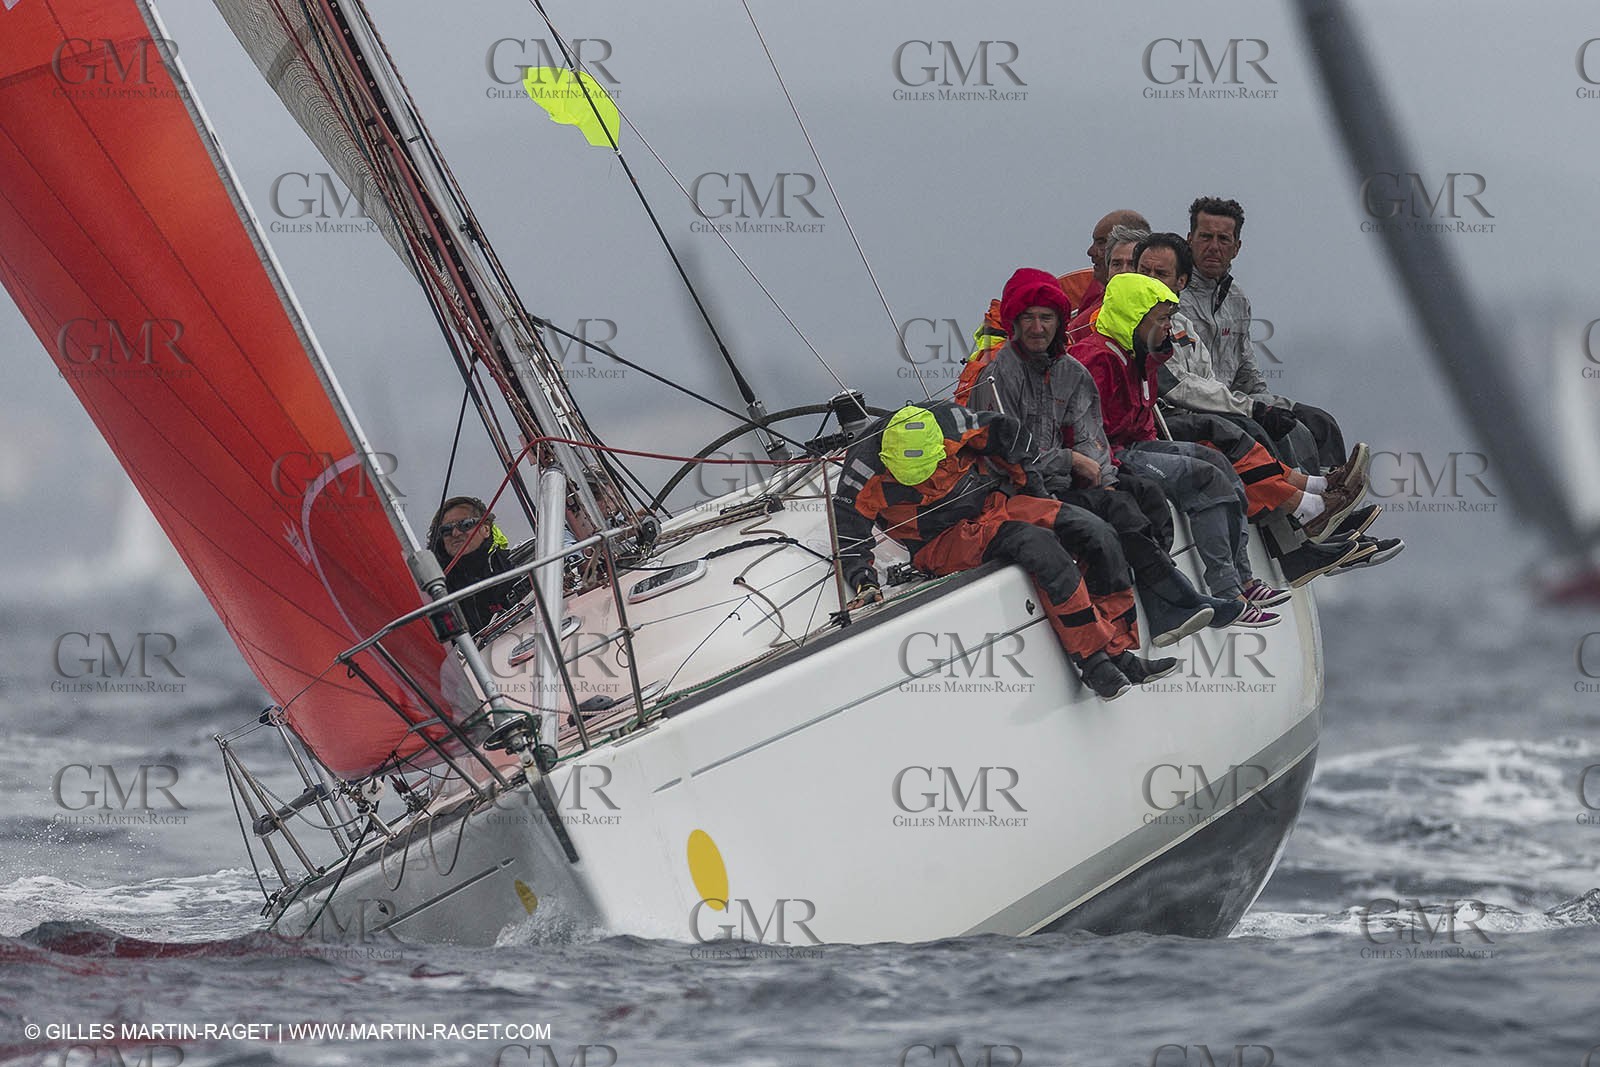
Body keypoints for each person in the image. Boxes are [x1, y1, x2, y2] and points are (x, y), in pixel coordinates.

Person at [967, 267, 1246, 644]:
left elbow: (1091, 439)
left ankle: (1167, 606)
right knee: (1112, 518)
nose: (1037, 327)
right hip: (1019, 493)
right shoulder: (995, 379)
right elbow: (1000, 456)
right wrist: (1067, 462)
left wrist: (1107, 482)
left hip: (1065, 484)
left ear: (1058, 320)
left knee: (1137, 499)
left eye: (1046, 317)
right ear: (1013, 322)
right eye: (1028, 317)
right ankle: (1169, 605)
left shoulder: (1071, 372)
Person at [833, 402, 1179, 700]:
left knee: (1096, 533)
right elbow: (849, 534)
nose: (926, 481)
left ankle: (1119, 650)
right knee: (1037, 545)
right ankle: (1094, 662)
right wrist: (865, 581)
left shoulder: (952, 421)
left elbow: (1010, 435)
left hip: (993, 505)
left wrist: (1034, 488)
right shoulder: (862, 470)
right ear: (886, 460)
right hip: (939, 542)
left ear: (940, 444)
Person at [1139, 229, 1404, 571]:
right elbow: (1177, 387)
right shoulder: (1137, 320)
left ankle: (1325, 515)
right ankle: (1300, 534)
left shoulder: (1205, 312)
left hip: (1221, 400)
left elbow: (1228, 371)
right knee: (1244, 433)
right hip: (1174, 419)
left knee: (1311, 423)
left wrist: (1262, 402)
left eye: (1160, 274)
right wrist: (1249, 406)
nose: (1148, 280)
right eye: (1143, 271)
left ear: (1180, 280)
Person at [1069, 272, 1310, 620]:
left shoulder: (1140, 354)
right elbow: (1089, 432)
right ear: (1135, 316)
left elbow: (1142, 423)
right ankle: (1226, 591)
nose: (1169, 327)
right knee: (1203, 477)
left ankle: (1243, 579)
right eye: (1162, 319)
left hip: (1137, 445)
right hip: (1112, 456)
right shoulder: (1097, 359)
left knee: (1220, 464)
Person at [1181, 196, 1365, 478]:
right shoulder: (1174, 295)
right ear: (1190, 238)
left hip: (1240, 398)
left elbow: (1246, 368)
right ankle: (1302, 509)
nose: (1214, 247)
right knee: (1279, 431)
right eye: (1205, 237)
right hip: (1205, 407)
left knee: (1319, 423)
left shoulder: (1237, 299)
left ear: (1237, 248)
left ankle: (1332, 495)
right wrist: (1256, 410)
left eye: (1223, 239)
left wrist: (1267, 403)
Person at [428, 496, 532, 633]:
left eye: (465, 524)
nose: (455, 533)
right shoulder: (436, 589)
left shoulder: (517, 563)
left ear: (486, 529)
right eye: (446, 530)